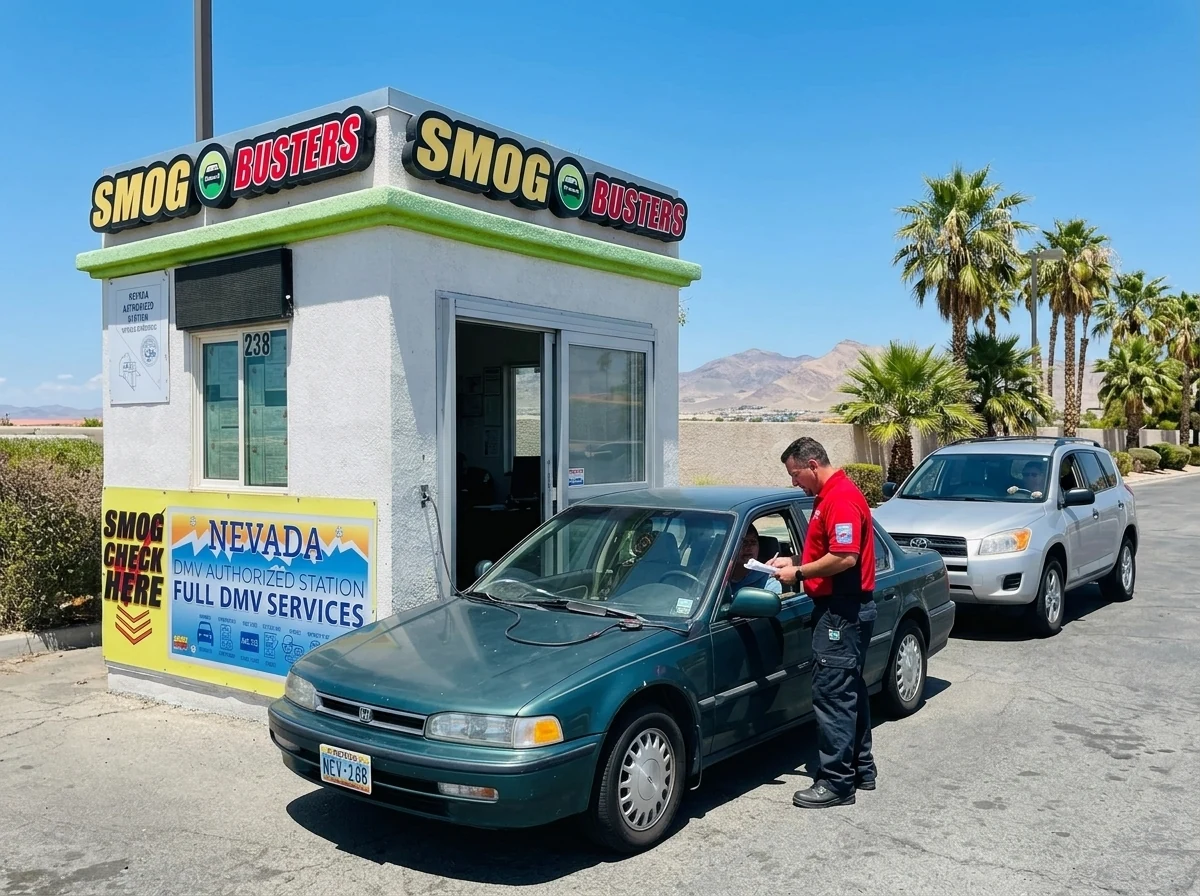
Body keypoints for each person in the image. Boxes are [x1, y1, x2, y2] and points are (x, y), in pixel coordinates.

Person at [767, 436, 878, 808]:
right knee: (848, 691)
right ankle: (861, 769)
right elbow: (824, 550)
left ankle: (836, 783)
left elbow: (845, 557)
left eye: (796, 474)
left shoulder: (841, 497)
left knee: (833, 697)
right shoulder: (825, 498)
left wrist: (798, 573)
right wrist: (793, 561)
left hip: (841, 612)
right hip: (839, 609)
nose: (794, 482)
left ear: (812, 465)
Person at [722, 524, 783, 609]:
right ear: (728, 547)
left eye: (753, 542)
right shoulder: (714, 577)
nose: (748, 547)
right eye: (743, 542)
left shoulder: (768, 582)